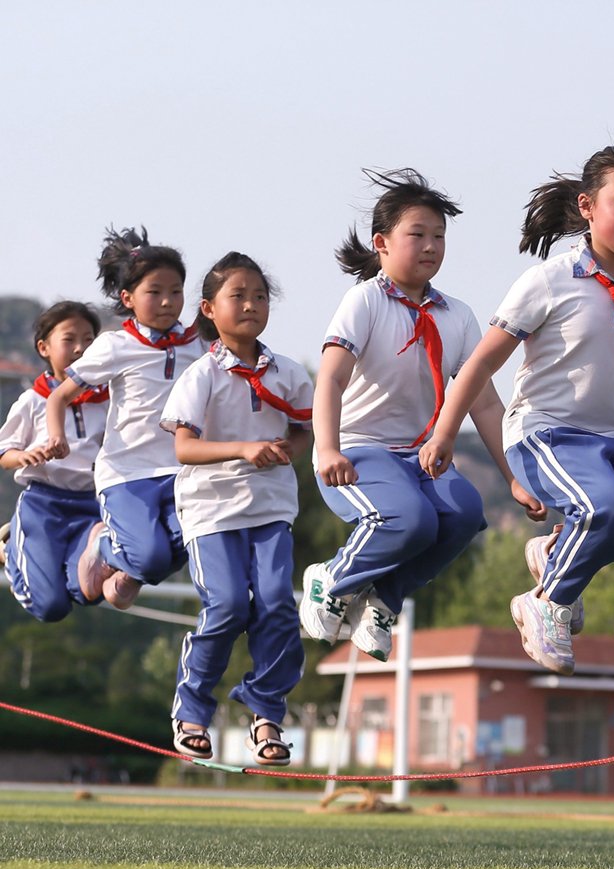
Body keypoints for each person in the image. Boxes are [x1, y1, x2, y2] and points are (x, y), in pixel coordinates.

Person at [419, 145, 614, 677]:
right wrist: (444, 434)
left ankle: (558, 557)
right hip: (549, 433)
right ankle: (547, 603)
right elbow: (479, 363)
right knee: (608, 508)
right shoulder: (550, 280)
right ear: (586, 206)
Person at [300, 169, 544, 661]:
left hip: (418, 456)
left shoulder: (457, 315)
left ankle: (383, 602)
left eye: (439, 236)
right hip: (356, 452)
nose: (431, 246)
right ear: (381, 243)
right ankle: (332, 578)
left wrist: (514, 478)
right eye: (417, 235)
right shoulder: (365, 300)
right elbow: (330, 378)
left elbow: (486, 403)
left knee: (464, 515)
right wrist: (326, 448)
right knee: (410, 520)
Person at [160, 252, 313, 765]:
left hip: (271, 508)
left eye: (260, 296)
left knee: (276, 605)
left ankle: (266, 716)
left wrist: (290, 445)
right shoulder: (200, 376)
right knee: (226, 606)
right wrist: (244, 449)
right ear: (208, 307)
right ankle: (191, 710)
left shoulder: (289, 372)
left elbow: (303, 426)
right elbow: (184, 449)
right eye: (238, 295)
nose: (251, 304)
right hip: (211, 511)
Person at [46, 227, 203, 610]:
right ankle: (104, 544)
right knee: (152, 557)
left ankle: (132, 570)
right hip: (127, 475)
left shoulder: (198, 343)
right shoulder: (116, 345)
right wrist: (55, 436)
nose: (167, 301)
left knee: (206, 532)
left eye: (176, 291)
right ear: (128, 298)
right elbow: (59, 396)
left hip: (182, 471)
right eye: (155, 292)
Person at [0, 302, 109, 621]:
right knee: (50, 608)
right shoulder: (32, 400)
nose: (80, 348)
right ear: (44, 347)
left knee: (88, 591)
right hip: (44, 506)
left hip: (91, 506)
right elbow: (4, 451)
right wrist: (25, 455)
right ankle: (11, 551)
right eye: (70, 339)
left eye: (89, 340)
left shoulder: (109, 400)